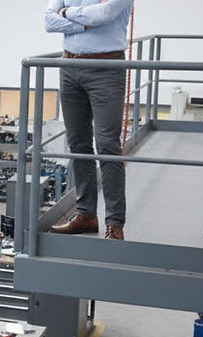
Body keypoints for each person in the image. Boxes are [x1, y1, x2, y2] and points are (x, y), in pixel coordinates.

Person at [45, 0, 133, 240]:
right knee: (78, 144)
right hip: (69, 66)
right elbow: (49, 21)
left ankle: (115, 223)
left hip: (106, 68)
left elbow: (103, 14)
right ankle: (86, 214)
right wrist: (83, 24)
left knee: (107, 145)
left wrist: (67, 13)